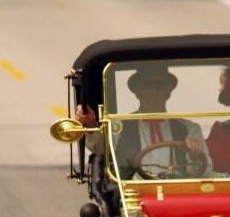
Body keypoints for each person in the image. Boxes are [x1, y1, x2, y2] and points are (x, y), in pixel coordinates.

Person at [76, 64, 210, 180]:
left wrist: (195, 156)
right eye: (147, 86)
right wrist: (91, 124)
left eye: (160, 86)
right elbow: (101, 149)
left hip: (177, 192)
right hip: (133, 194)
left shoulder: (189, 128)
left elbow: (206, 170)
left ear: (168, 91)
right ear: (136, 91)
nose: (153, 92)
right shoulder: (119, 126)